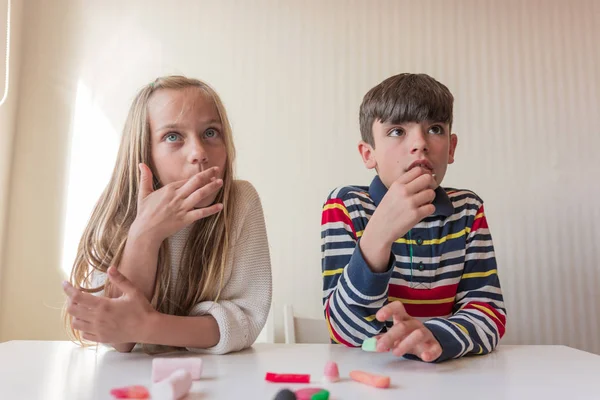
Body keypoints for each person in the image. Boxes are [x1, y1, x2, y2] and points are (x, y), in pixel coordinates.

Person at [63, 76, 272, 355]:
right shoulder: (117, 209)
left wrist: (149, 326)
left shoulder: (241, 202)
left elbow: (245, 321)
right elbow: (115, 335)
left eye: (210, 132)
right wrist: (144, 234)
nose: (198, 153)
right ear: (145, 153)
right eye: (173, 137)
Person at [321, 73, 506, 362]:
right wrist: (378, 236)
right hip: (367, 374)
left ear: (451, 147)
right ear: (368, 154)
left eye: (434, 128)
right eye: (397, 131)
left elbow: (488, 315)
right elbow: (344, 330)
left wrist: (435, 336)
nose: (420, 143)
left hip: (448, 375)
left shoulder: (468, 209)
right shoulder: (345, 205)